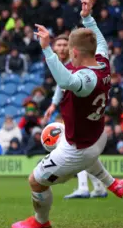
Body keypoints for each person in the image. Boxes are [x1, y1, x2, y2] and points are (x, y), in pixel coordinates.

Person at [12, 0, 123, 228]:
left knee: (36, 181)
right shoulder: (103, 60)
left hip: (80, 148)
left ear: (74, 51)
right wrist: (87, 17)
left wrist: (46, 49)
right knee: (85, 153)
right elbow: (99, 39)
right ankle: (112, 183)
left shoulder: (85, 79)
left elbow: (64, 79)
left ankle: (41, 221)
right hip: (98, 135)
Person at [43, 34, 106, 199]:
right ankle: (99, 187)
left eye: (65, 45)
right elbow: (60, 87)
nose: (62, 48)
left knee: (77, 148)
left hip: (80, 113)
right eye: (59, 45)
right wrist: (53, 105)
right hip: (73, 111)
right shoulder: (64, 66)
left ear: (72, 49)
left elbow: (65, 84)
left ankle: (83, 187)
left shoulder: (78, 66)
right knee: (84, 153)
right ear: (55, 48)